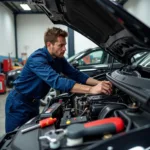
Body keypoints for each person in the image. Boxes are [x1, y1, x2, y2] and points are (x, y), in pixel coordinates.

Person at [5, 27, 112, 133]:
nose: (64, 49)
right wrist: (91, 90)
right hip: (18, 103)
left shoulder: (59, 59)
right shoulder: (37, 59)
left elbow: (76, 74)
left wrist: (99, 83)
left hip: (34, 103)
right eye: (61, 45)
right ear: (49, 45)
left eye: (65, 45)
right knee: (14, 137)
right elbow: (57, 81)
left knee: (30, 134)